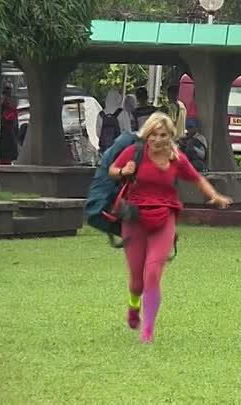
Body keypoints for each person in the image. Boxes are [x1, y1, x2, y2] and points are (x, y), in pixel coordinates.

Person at [109, 112, 232, 343]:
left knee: (153, 274)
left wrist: (214, 196)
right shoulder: (135, 152)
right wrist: (124, 171)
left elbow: (197, 179)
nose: (158, 139)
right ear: (147, 135)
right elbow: (112, 170)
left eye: (163, 135)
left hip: (164, 217)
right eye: (153, 135)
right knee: (137, 281)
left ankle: (147, 331)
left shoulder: (176, 158)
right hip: (134, 218)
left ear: (170, 136)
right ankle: (133, 306)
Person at [96, 89, 131, 153]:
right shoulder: (123, 113)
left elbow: (98, 133)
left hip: (105, 149)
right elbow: (128, 132)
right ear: (118, 99)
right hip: (119, 148)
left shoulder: (101, 114)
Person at [0, 86, 19, 164]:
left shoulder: (11, 110)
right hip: (4, 142)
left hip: (7, 142)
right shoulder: (3, 109)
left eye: (6, 97)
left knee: (5, 162)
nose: (5, 99)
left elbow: (9, 121)